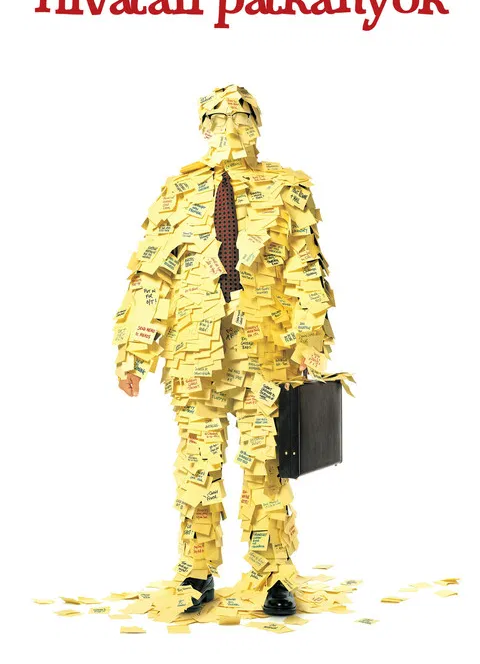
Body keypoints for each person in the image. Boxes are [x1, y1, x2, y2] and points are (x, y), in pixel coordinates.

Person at [113, 84, 349, 616]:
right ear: (202, 127)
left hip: (264, 351)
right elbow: (152, 275)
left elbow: (305, 268)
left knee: (267, 462)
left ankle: (272, 575)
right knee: (197, 463)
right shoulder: (177, 194)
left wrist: (310, 341)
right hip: (193, 351)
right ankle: (197, 572)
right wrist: (134, 353)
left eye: (241, 116)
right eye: (218, 118)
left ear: (257, 124)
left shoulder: (287, 190)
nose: (230, 126)